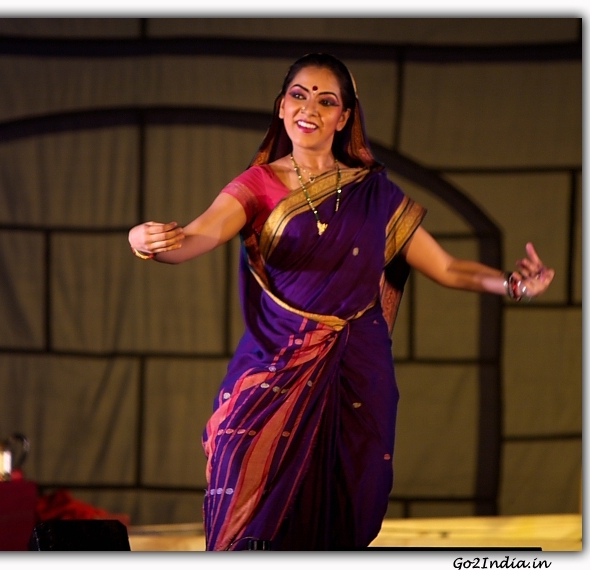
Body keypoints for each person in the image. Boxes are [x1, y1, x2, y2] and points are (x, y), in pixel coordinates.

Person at [127, 53, 554, 551]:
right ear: (282, 107)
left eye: (327, 101)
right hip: (275, 366)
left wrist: (512, 285)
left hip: (356, 368)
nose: (310, 108)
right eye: (298, 95)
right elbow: (192, 238)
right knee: (244, 482)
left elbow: (448, 267)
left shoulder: (374, 194)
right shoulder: (257, 186)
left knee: (343, 503)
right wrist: (143, 238)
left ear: (344, 117)